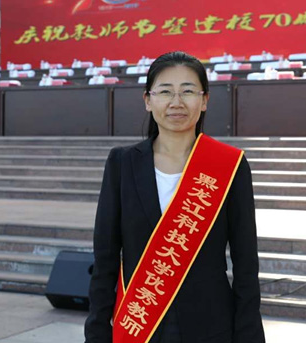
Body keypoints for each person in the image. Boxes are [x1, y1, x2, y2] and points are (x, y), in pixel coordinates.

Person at [85, 51, 265, 343]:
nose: (176, 102)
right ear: (148, 100)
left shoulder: (228, 165)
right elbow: (105, 259)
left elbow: (246, 264)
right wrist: (97, 333)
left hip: (211, 329)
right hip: (140, 324)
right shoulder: (122, 164)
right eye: (165, 91)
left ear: (204, 100)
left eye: (188, 91)